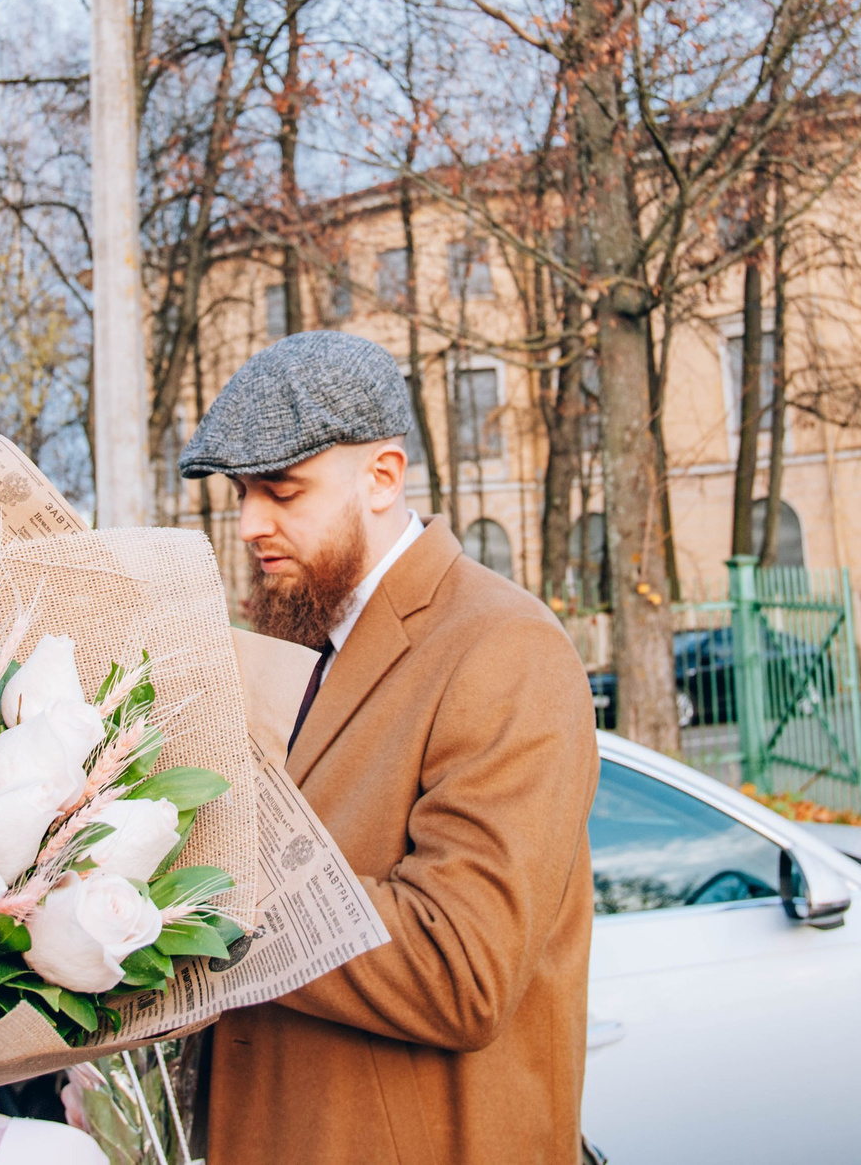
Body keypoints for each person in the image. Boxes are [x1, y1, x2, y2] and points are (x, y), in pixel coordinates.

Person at [180, 331, 598, 1165]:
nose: (251, 523)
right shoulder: (293, 642)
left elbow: (460, 964)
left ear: (382, 477)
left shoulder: (504, 647)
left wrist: (196, 893)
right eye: (242, 492)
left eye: (282, 491)